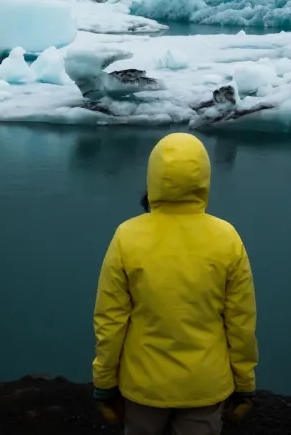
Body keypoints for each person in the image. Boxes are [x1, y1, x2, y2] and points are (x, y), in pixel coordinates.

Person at [92, 132, 258, 434]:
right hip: (204, 384)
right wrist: (244, 383)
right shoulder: (226, 237)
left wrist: (105, 383)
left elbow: (110, 320)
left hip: (142, 384)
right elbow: (240, 321)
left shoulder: (127, 236)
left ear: (153, 177)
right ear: (203, 178)